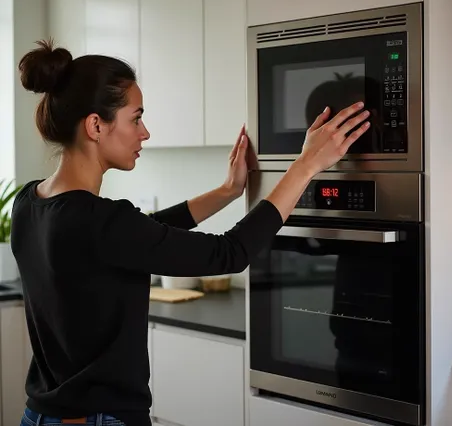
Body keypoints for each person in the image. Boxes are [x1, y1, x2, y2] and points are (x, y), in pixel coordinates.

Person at [11, 39, 370, 426]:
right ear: (96, 125)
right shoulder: (100, 220)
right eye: (136, 118)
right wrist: (305, 166)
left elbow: (144, 231)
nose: (144, 132)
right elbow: (230, 252)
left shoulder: (30, 202)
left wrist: (228, 191)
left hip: (40, 416)